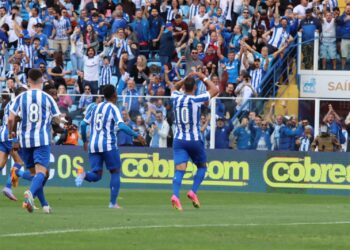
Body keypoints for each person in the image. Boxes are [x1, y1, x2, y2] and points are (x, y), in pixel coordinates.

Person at [76, 84, 146, 208]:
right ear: (114, 95)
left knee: (96, 175)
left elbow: (82, 124)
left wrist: (85, 141)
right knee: (115, 171)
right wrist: (137, 135)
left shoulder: (94, 107)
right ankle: (113, 203)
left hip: (93, 145)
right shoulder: (113, 108)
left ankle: (83, 174)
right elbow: (122, 125)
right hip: (107, 144)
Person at [8, 69, 61, 214]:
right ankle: (30, 193)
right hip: (42, 139)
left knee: (36, 175)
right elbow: (57, 119)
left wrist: (13, 139)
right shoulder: (47, 97)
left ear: (28, 81)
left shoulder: (20, 97)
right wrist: (57, 123)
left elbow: (11, 119)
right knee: (41, 174)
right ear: (42, 81)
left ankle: (45, 205)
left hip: (24, 141)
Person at [170, 71, 218, 211]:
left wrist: (185, 79)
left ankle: (175, 195)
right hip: (194, 140)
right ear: (195, 88)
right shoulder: (196, 99)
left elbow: (173, 87)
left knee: (179, 171)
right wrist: (202, 76)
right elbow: (215, 89)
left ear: (183, 87)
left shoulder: (176, 97)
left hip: (179, 140)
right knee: (202, 167)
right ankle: (192, 191)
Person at [0, 87, 32, 201]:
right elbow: (12, 121)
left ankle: (8, 187)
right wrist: (14, 139)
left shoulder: (9, 104)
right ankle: (8, 187)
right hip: (10, 136)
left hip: (2, 134)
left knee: (1, 164)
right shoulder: (19, 104)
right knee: (19, 162)